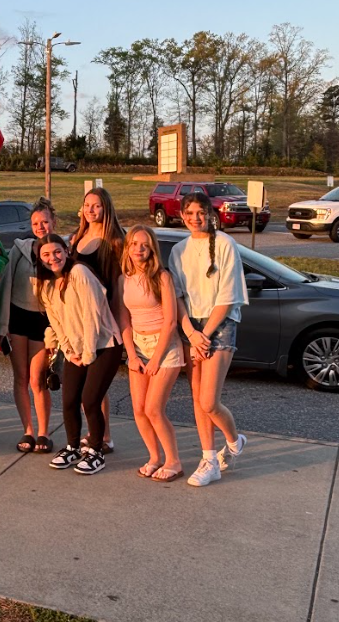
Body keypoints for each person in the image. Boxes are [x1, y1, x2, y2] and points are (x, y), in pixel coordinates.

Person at [169, 192, 249, 487]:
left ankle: (234, 440)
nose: (195, 218)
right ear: (182, 215)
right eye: (189, 213)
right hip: (193, 327)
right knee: (196, 399)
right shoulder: (178, 250)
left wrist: (203, 334)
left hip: (221, 324)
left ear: (210, 214)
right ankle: (209, 460)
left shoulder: (226, 245)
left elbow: (227, 298)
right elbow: (177, 296)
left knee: (209, 401)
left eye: (200, 212)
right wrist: (190, 331)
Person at [36, 234, 123, 475]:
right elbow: (56, 322)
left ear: (66, 251)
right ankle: (73, 447)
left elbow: (92, 315)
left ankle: (96, 450)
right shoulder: (46, 285)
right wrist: (68, 350)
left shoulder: (80, 274)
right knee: (69, 400)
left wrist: (88, 352)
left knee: (90, 399)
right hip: (77, 350)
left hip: (104, 344)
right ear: (40, 259)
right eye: (46, 254)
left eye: (57, 252)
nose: (53, 258)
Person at [118, 225, 185, 482]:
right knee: (138, 409)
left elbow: (171, 320)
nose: (139, 249)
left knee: (154, 408)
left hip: (165, 347)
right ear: (128, 247)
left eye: (144, 245)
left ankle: (174, 461)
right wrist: (131, 355)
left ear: (152, 248)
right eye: (134, 244)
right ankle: (155, 457)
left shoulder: (162, 277)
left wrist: (156, 358)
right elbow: (123, 320)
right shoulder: (123, 279)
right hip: (138, 346)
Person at [0, 197, 57, 454]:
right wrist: (2, 327)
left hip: (44, 324)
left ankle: (44, 432)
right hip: (18, 319)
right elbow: (5, 287)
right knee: (20, 378)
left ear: (53, 222)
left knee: (37, 379)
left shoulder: (60, 252)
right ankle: (28, 431)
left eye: (45, 221)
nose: (41, 227)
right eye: (36, 223)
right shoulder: (19, 250)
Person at [69, 187, 124, 453]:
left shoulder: (114, 241)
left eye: (97, 206)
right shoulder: (77, 238)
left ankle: (105, 437)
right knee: (85, 387)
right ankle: (94, 433)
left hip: (103, 322)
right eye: (87, 205)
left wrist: (116, 325)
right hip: (80, 322)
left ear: (106, 208)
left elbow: (116, 285)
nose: (91, 211)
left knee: (96, 390)